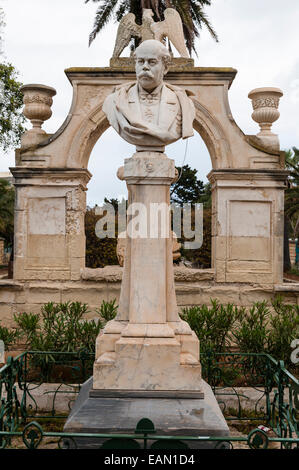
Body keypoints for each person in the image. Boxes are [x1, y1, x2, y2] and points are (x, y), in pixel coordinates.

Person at [102, 39, 195, 152]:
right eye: (141, 61)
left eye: (152, 62)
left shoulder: (184, 104)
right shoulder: (114, 101)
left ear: (165, 68)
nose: (145, 67)